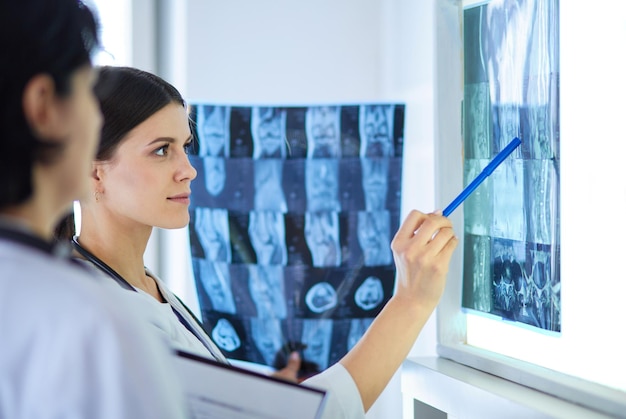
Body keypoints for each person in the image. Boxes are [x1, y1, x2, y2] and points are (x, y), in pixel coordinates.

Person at [58, 65, 458, 417]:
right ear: (94, 174)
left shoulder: (145, 290)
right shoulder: (115, 320)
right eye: (162, 151)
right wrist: (411, 302)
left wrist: (262, 398)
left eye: (186, 147)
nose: (189, 171)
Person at [0, 1, 188, 418]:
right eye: (89, 92)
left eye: (185, 148)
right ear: (45, 105)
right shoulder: (92, 324)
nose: (188, 171)